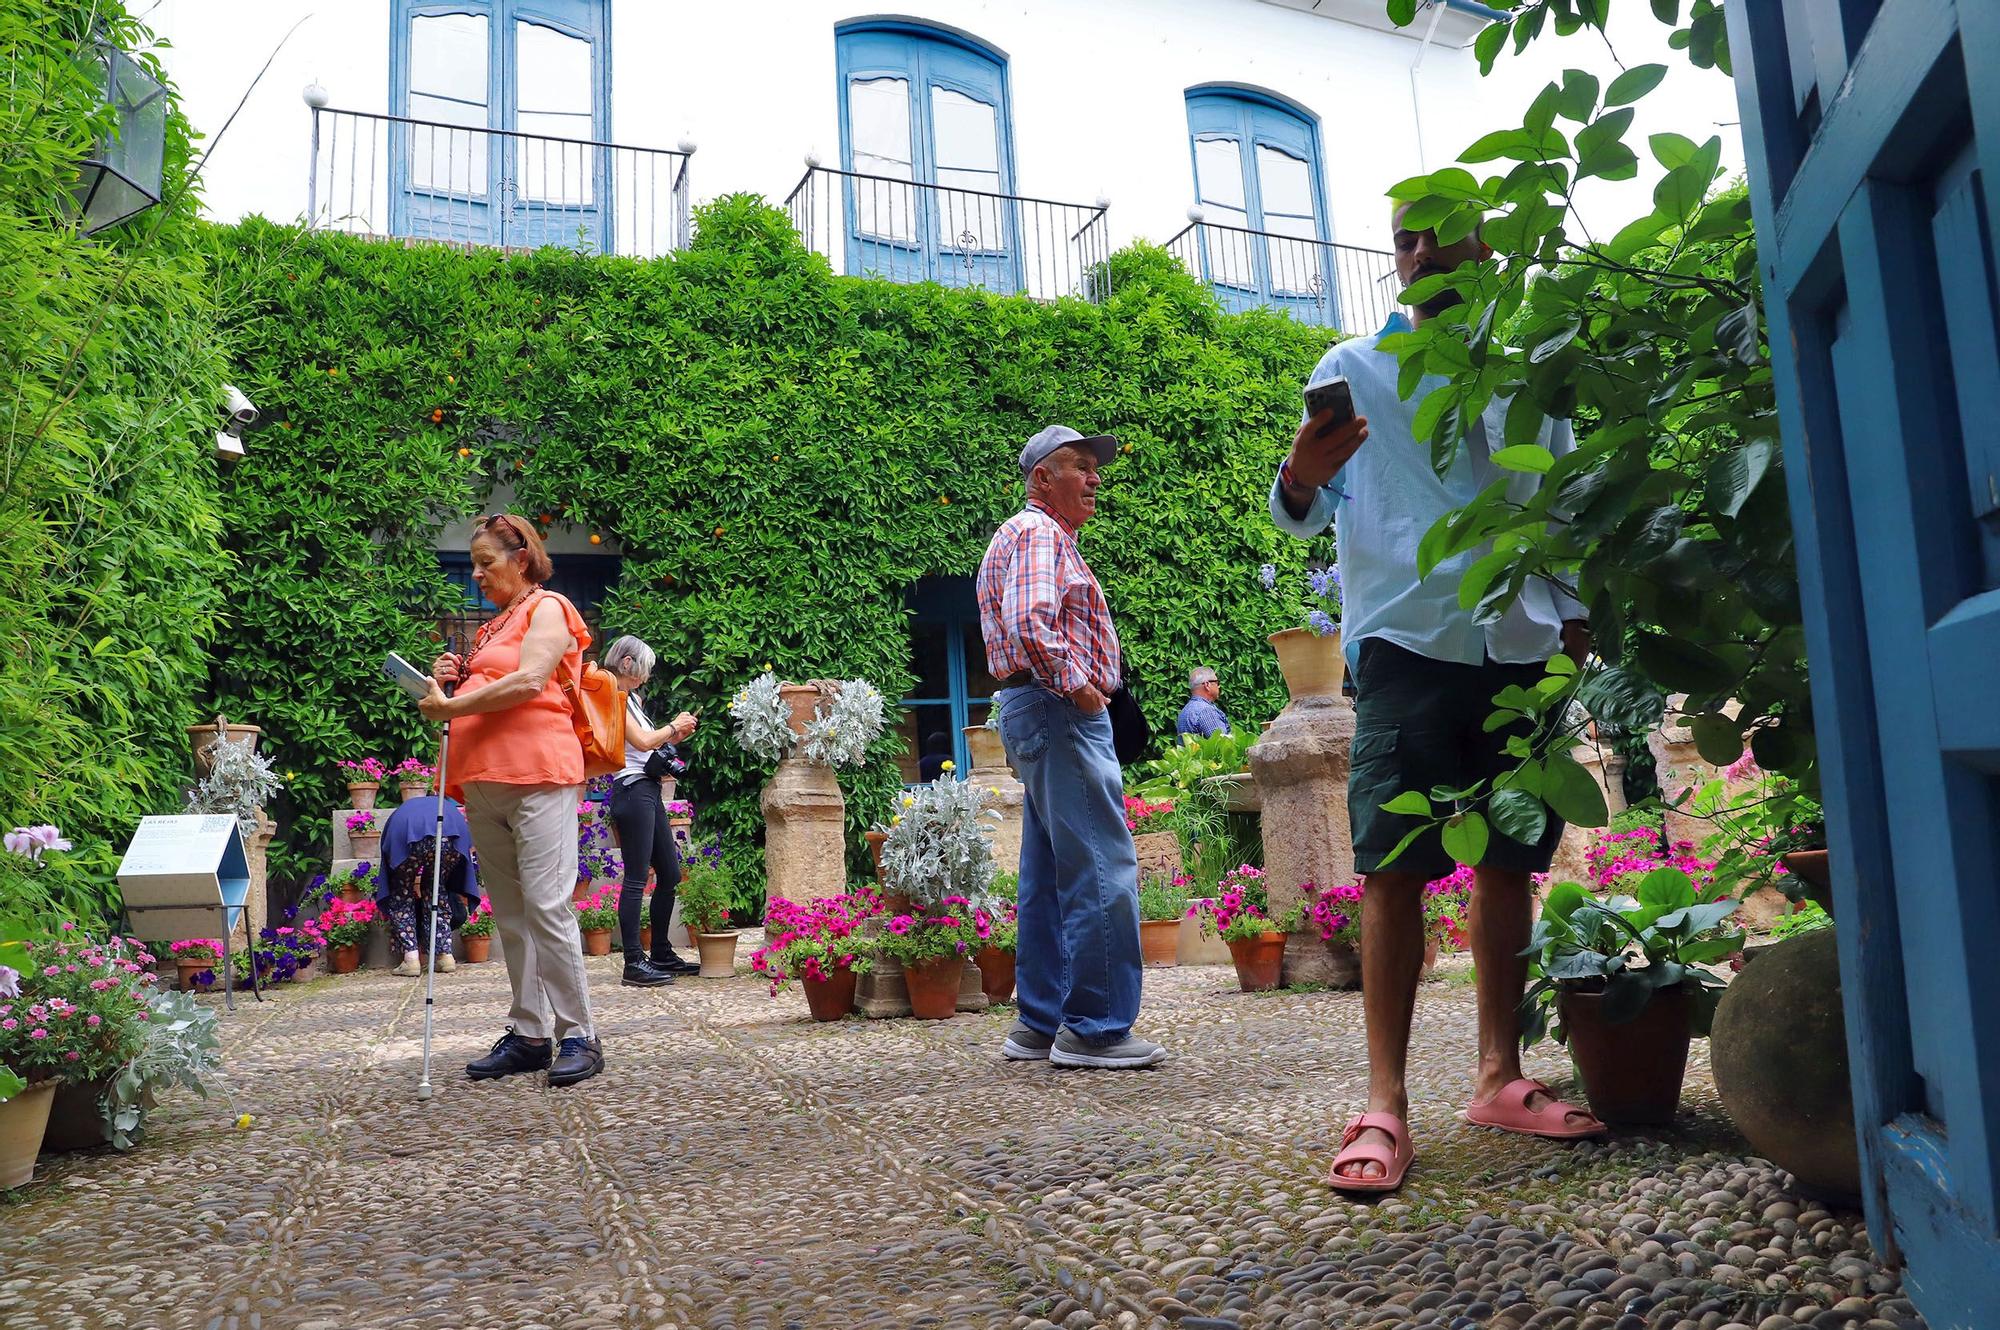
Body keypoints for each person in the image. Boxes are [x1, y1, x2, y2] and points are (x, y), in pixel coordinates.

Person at [1271, 202, 1604, 1191]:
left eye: (1435, 234)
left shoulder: (1525, 370)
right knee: (1391, 865)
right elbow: (1297, 514)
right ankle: (1383, 1102)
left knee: (1509, 860)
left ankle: (1497, 1076)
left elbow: (1562, 494)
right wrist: (1298, 474)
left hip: (1521, 640)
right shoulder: (1353, 365)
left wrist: (1576, 613)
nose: (1415, 252)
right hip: (1406, 642)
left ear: (1482, 249)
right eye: (1401, 240)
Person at [977, 424, 1166, 1071]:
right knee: (1100, 869)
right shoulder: (1037, 533)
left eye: (1095, 468)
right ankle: (1095, 1028)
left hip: (1037, 710)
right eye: (1078, 466)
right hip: (1059, 711)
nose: (1094, 477)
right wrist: (1083, 689)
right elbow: (1033, 619)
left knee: (1050, 877)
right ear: (1040, 479)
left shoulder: (1030, 535)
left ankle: (1042, 1023)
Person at [422, 513, 604, 1089]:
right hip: (484, 780)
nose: (476, 574)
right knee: (512, 914)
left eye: (486, 562)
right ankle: (530, 1033)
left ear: (520, 558)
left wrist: (454, 706)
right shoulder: (490, 628)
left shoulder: (547, 608)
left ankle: (579, 1035)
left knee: (548, 906)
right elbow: (483, 696)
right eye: (473, 563)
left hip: (540, 774)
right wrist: (451, 681)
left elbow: (529, 682)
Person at [601, 634, 700, 987]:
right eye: (644, 669)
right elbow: (642, 743)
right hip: (631, 790)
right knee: (636, 877)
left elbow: (646, 746)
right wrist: (672, 726)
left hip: (648, 790)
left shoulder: (633, 701)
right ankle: (632, 962)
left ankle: (659, 951)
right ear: (627, 663)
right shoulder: (612, 695)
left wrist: (674, 736)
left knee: (670, 874)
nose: (646, 676)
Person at [377, 794, 479, 977]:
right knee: (437, 889)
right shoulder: (441, 805)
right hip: (450, 834)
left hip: (407, 834)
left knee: (402, 892)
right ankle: (444, 955)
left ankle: (411, 959)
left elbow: (390, 851)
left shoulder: (403, 811)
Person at [1175, 666, 1232, 738]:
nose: (1219, 687)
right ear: (1207, 685)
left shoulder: (1185, 710)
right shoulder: (1206, 711)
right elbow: (1223, 745)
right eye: (1217, 683)